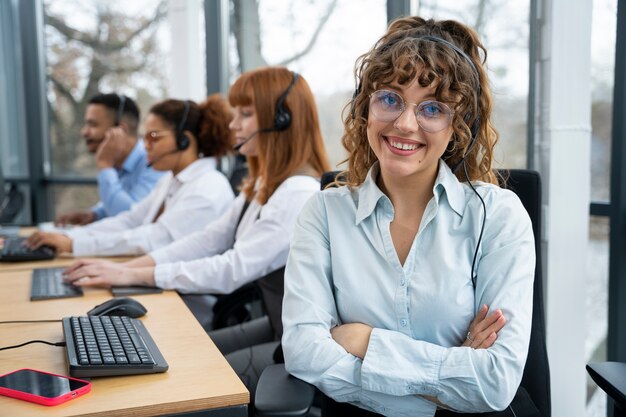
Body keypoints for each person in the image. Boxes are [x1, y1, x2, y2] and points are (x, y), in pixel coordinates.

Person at [281, 16, 535, 417]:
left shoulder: (499, 217)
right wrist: (443, 382)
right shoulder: (324, 213)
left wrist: (363, 342)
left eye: (432, 108)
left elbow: (493, 381)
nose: (404, 123)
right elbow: (302, 352)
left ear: (459, 126)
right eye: (389, 99)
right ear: (366, 108)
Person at [62, 67, 332, 394]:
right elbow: (208, 240)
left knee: (189, 382)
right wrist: (125, 269)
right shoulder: (265, 184)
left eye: (245, 115)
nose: (233, 124)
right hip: (280, 326)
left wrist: (134, 275)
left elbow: (232, 268)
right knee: (177, 354)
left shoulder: (297, 193)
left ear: (281, 121)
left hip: (300, 345)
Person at [26, 95, 235, 256]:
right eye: (146, 137)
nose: (146, 146)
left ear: (184, 140)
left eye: (154, 137)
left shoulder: (207, 189)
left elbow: (152, 240)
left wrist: (74, 244)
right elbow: (129, 221)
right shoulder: (169, 181)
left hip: (186, 303)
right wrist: (68, 236)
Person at [55, 93, 163, 225]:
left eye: (93, 125)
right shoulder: (119, 162)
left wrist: (105, 165)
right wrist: (94, 215)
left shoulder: (155, 164)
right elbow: (119, 203)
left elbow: (130, 218)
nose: (84, 132)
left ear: (121, 130)